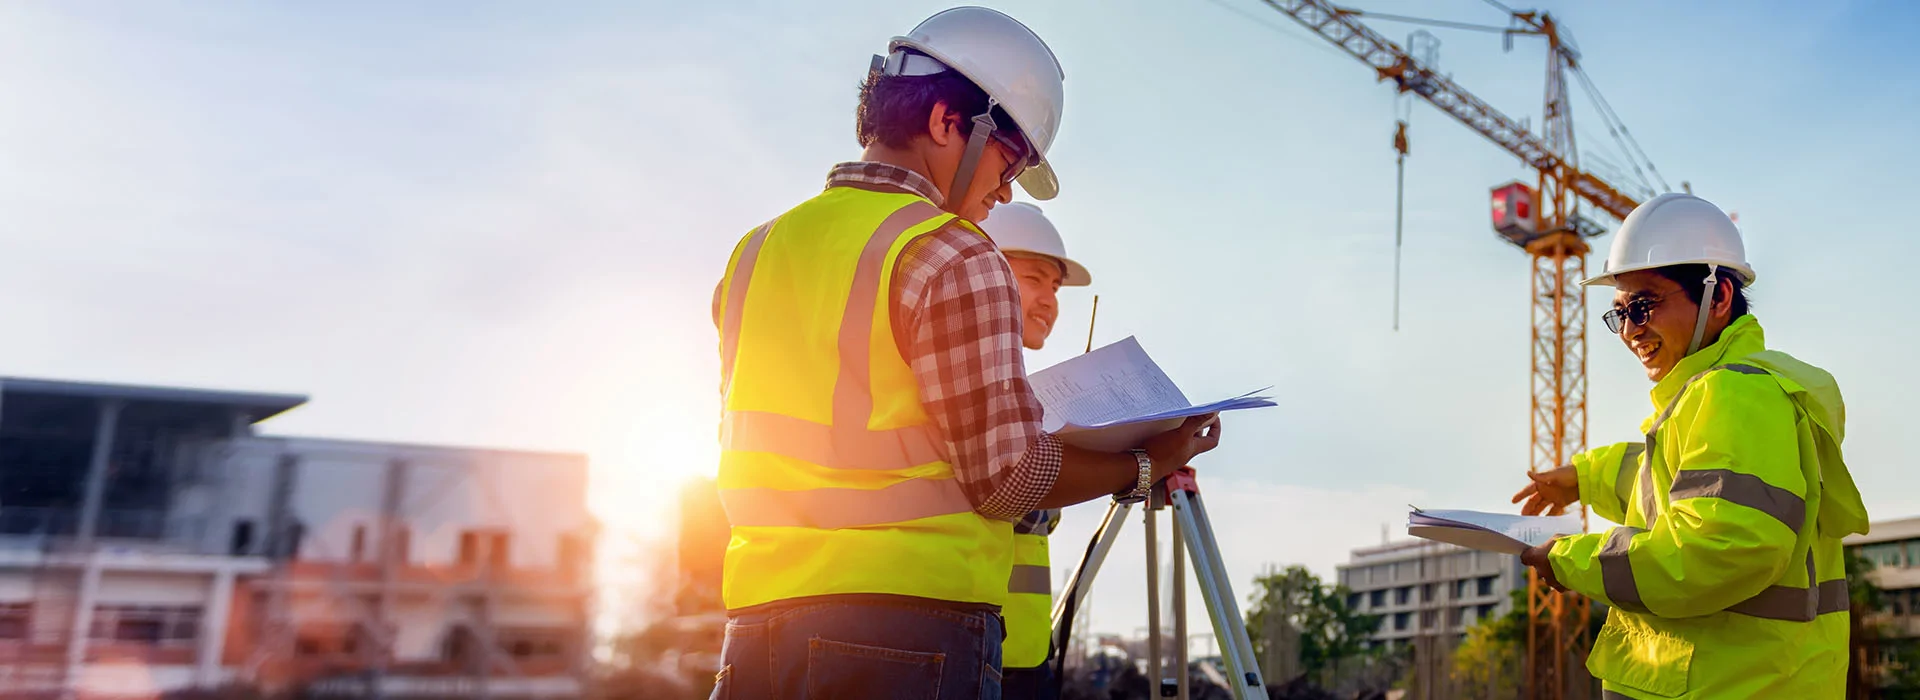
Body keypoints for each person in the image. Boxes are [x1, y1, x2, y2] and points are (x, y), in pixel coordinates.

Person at [708, 8, 1222, 699]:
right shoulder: (951, 251)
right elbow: (1007, 478)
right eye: (1011, 163)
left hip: (757, 629)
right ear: (952, 122)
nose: (1004, 192)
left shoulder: (755, 251)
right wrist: (1147, 462)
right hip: (906, 636)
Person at [1510, 193, 1868, 699]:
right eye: (1620, 313)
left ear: (1719, 296)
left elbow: (1719, 549)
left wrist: (1574, 560)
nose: (1632, 330)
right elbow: (1682, 482)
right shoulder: (1716, 394)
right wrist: (1586, 478)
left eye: (1644, 305)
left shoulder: (1734, 392)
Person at [979, 202, 1093, 700]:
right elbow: (1012, 500)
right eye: (1034, 280)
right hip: (974, 655)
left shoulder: (1026, 394)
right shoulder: (977, 386)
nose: (1050, 301)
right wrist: (1134, 464)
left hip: (1023, 656)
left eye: (1055, 287)